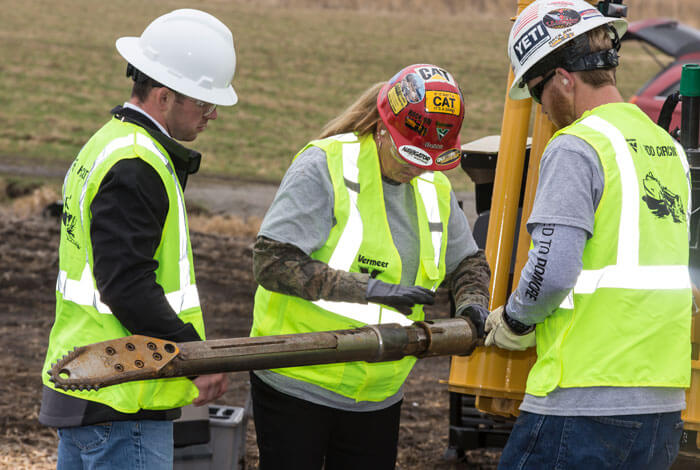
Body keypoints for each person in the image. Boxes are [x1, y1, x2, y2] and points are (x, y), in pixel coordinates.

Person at [249, 63, 491, 469]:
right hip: (301, 379)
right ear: (382, 128)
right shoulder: (324, 165)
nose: (419, 167)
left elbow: (468, 261)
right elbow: (272, 262)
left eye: (430, 157)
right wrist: (368, 289)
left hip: (379, 389)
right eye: (409, 153)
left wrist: (472, 305)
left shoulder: (434, 188)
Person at [484, 1, 693, 468]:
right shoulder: (667, 148)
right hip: (661, 405)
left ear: (562, 79)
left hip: (583, 401)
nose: (542, 107)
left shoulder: (578, 145)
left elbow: (553, 269)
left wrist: (515, 321)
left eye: (537, 92)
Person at [39, 9, 237, 469]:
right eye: (204, 102)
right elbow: (127, 284)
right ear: (165, 96)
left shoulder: (108, 143)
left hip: (92, 382)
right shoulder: (137, 163)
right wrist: (194, 355)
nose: (211, 114)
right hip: (123, 395)